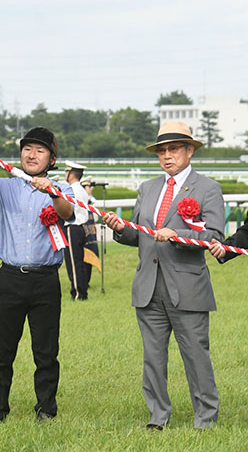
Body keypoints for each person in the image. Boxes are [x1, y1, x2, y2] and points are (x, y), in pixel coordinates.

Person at [103, 121, 224, 430]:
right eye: (162, 151)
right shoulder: (148, 188)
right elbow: (139, 235)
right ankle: (158, 416)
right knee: (153, 359)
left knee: (196, 357)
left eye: (173, 150)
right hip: (148, 288)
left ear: (189, 151)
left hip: (188, 287)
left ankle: (206, 418)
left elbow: (214, 235)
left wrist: (177, 233)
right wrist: (120, 230)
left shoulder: (208, 188)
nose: (167, 156)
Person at [0, 126, 75, 424]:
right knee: (2, 352)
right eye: (27, 149)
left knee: (46, 352)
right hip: (10, 279)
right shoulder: (3, 187)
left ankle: (46, 410)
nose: (31, 155)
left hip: (46, 280)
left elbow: (67, 212)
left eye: (40, 150)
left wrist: (51, 190)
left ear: (51, 158)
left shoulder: (62, 188)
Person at [62, 161, 91, 300]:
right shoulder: (81, 190)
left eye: (66, 172)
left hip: (72, 227)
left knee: (73, 263)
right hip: (80, 228)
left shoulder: (71, 190)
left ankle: (78, 293)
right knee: (79, 262)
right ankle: (82, 290)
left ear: (71, 174)